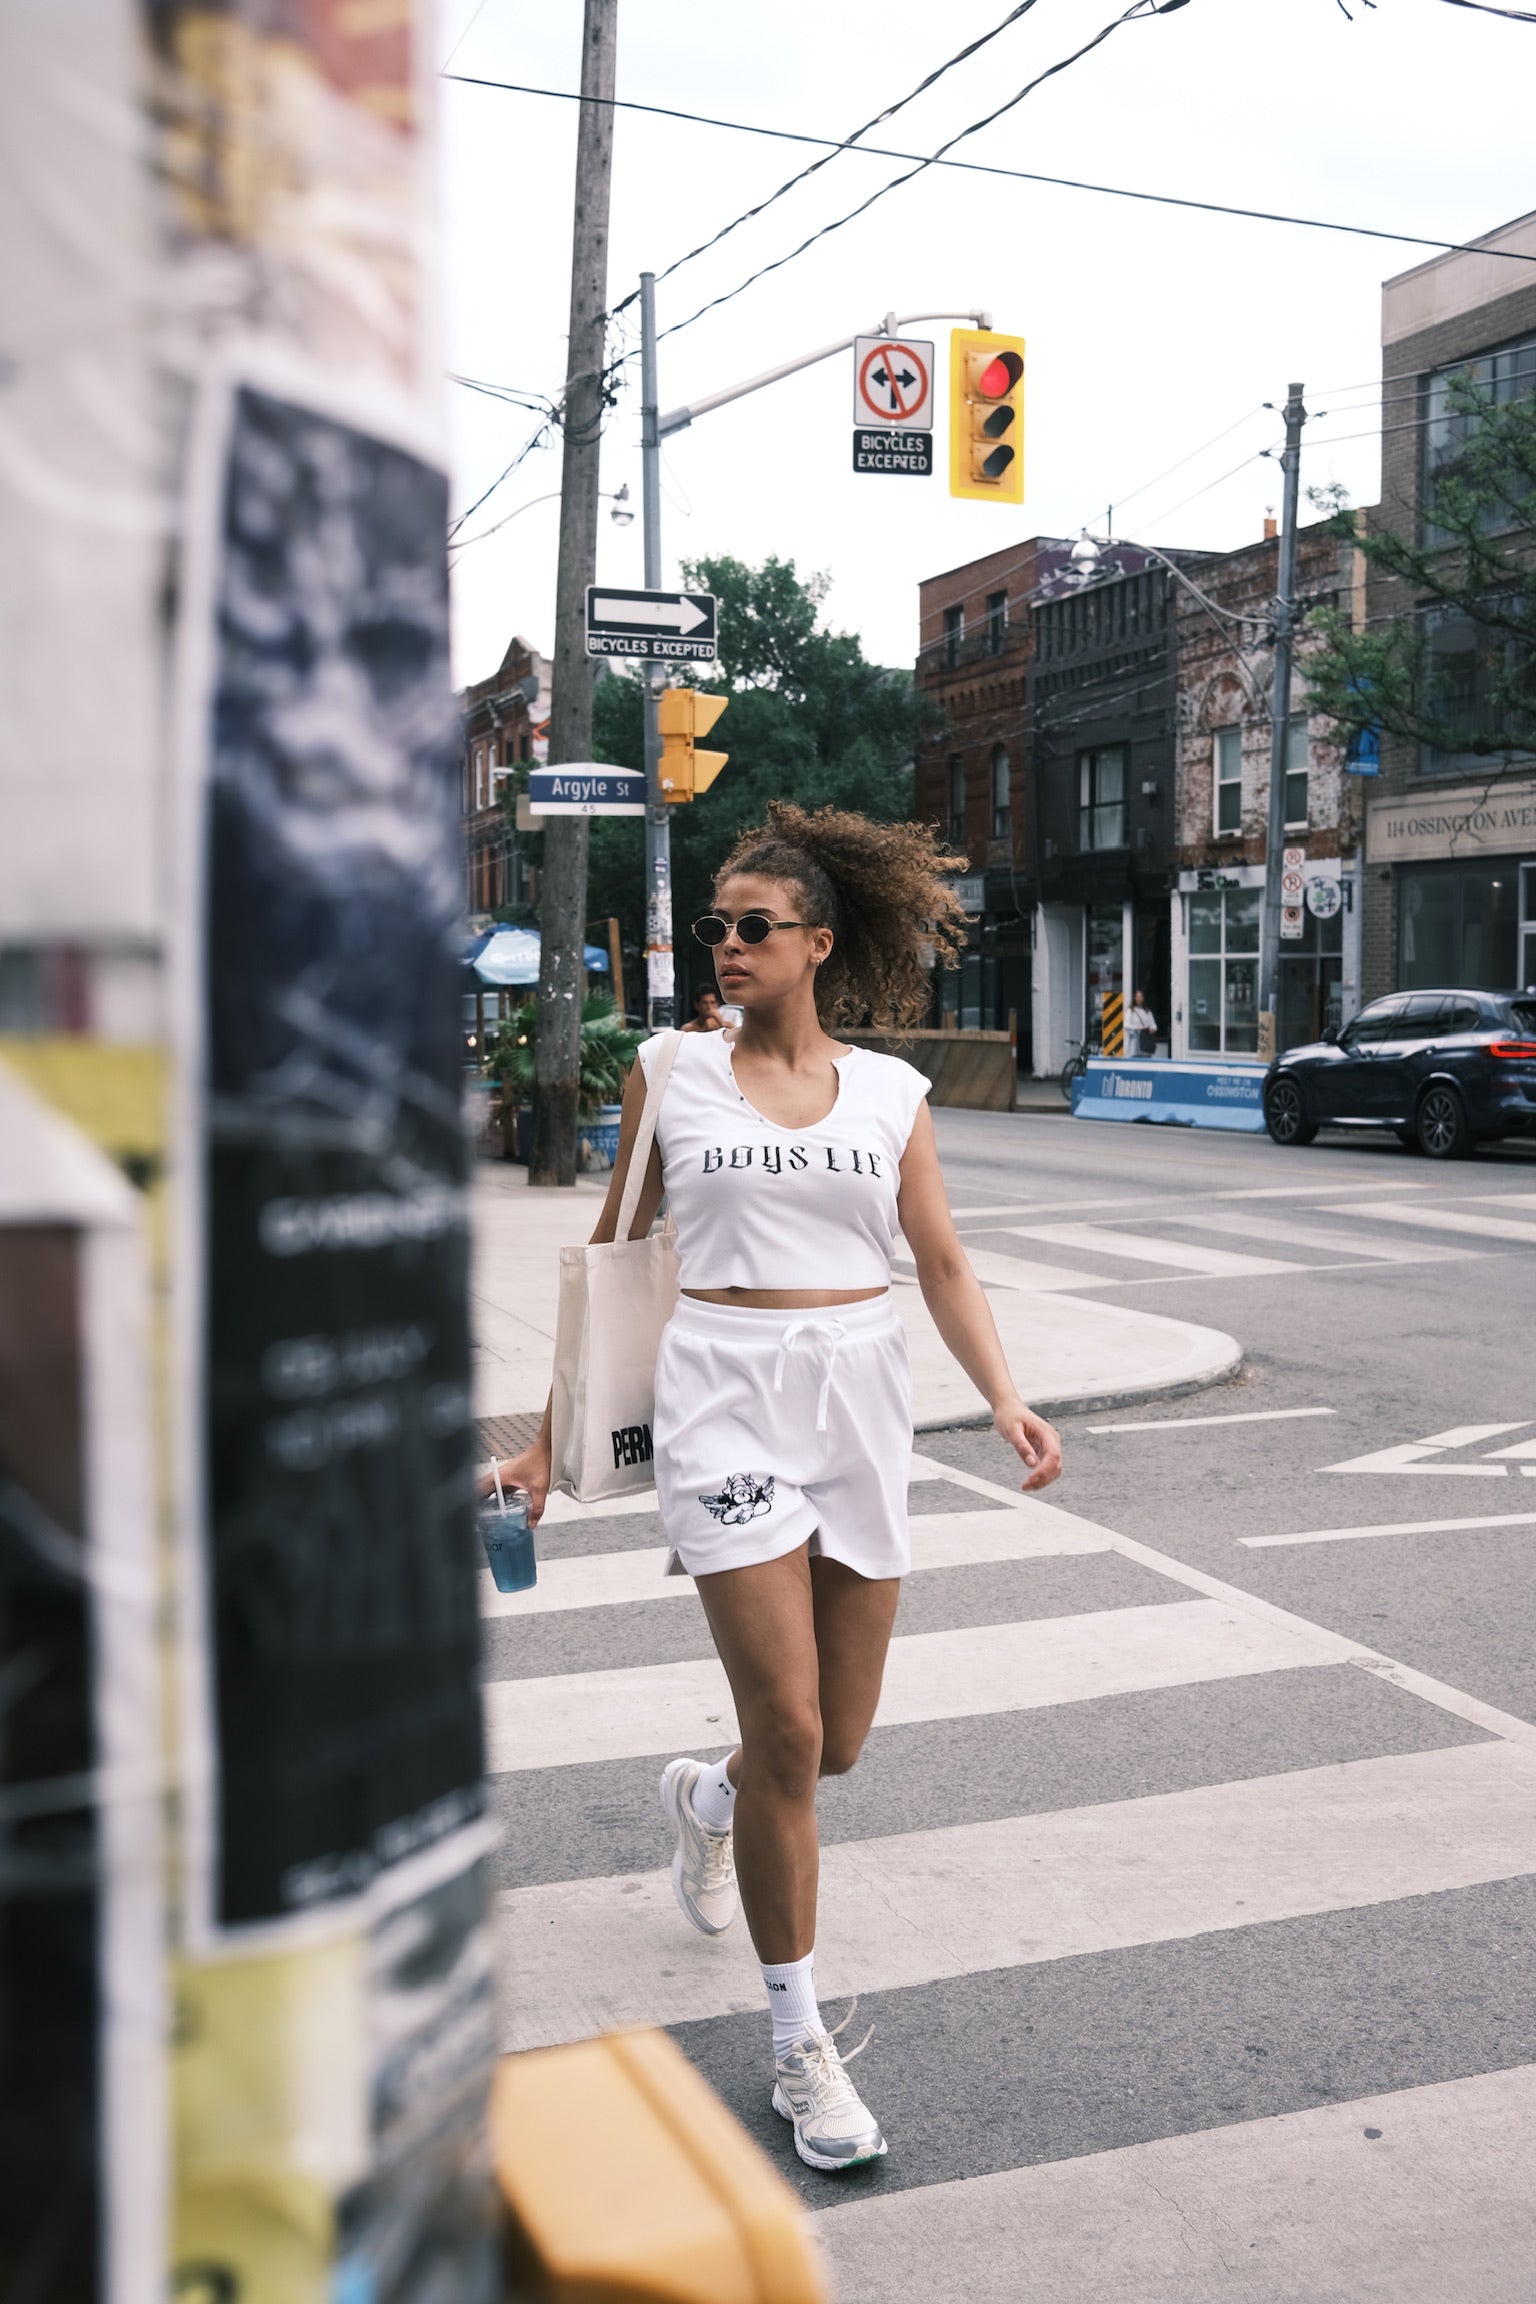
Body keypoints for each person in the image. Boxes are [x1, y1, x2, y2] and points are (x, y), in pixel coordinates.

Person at [488, 802, 1063, 2175]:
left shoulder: (891, 1096)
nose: (728, 946)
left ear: (816, 942)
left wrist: (1003, 1390)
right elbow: (618, 1262)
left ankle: (706, 1800)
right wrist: (548, 1441)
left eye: (755, 928)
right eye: (718, 929)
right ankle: (800, 2041)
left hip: (859, 1398)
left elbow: (942, 1262)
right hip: (724, 1397)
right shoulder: (669, 1074)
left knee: (836, 1744)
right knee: (794, 1735)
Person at [1125, 987, 1158, 1056]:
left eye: (1140, 997)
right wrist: (1138, 1028)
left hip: (1146, 1045)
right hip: (1134, 1045)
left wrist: (1152, 1029)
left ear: (1143, 998)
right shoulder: (1131, 1010)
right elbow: (1126, 1025)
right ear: (1134, 998)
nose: (1138, 998)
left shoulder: (1147, 1011)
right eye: (1137, 996)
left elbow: (1153, 1025)